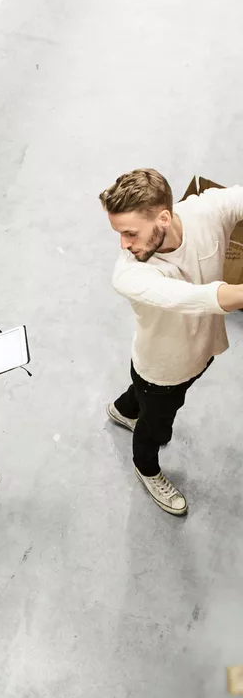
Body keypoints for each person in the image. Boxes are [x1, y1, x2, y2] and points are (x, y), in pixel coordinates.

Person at [100, 169, 243, 515]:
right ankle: (145, 466)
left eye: (130, 233)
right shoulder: (129, 274)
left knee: (142, 397)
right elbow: (200, 298)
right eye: (120, 233)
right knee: (157, 426)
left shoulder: (204, 210)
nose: (124, 244)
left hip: (201, 348)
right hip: (164, 368)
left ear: (164, 216)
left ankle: (122, 410)